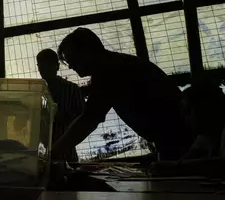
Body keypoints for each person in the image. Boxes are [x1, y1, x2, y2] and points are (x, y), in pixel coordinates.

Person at [52, 28, 193, 160]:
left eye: (71, 58)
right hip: (175, 134)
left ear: (86, 52)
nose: (70, 65)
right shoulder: (115, 65)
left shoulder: (109, 73)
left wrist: (52, 154)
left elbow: (89, 120)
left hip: (176, 137)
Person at [150, 83, 225, 178]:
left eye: (188, 112)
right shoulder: (207, 137)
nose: (186, 119)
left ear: (206, 108)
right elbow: (183, 162)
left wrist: (173, 167)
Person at [37, 49, 84, 161]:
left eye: (47, 65)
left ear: (57, 66)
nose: (44, 70)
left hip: (60, 154)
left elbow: (83, 121)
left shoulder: (73, 90)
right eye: (41, 66)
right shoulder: (72, 90)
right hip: (58, 153)